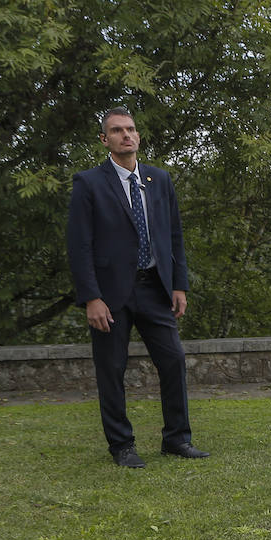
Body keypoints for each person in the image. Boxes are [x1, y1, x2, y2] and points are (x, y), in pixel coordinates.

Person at [66, 107, 207, 468]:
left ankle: (177, 439)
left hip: (155, 288)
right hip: (109, 295)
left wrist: (179, 285)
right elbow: (79, 245)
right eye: (116, 130)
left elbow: (173, 236)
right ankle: (122, 446)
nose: (125, 135)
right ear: (105, 139)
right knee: (111, 370)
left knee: (173, 361)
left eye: (130, 129)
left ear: (138, 136)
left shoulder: (159, 179)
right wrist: (91, 298)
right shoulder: (89, 183)